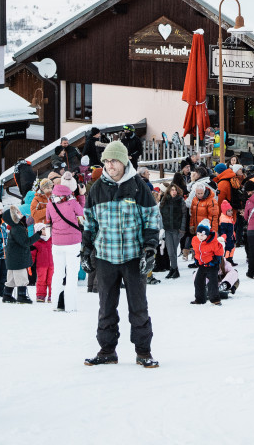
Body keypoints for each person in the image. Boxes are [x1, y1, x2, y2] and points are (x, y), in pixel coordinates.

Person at [80, 139, 162, 368]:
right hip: (106, 257)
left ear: (124, 161)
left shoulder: (138, 186)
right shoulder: (97, 188)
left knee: (138, 307)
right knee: (106, 307)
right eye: (106, 161)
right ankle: (107, 350)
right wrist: (86, 250)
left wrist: (149, 249)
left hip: (133, 257)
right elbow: (89, 223)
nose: (110, 165)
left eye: (114, 160)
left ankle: (143, 352)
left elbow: (151, 220)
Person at [45, 182, 84, 308]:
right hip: (73, 242)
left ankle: (55, 303)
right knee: (72, 274)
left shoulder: (50, 203)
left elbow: (48, 219)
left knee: (58, 273)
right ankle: (70, 305)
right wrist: (81, 196)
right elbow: (81, 213)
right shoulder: (72, 202)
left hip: (57, 243)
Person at [2, 205, 40, 304]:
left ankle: (7, 295)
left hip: (12, 258)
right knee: (22, 277)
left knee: (11, 278)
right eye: (17, 212)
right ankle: (22, 296)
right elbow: (25, 242)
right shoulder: (18, 228)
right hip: (18, 259)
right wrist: (38, 234)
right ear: (14, 217)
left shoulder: (17, 227)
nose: (20, 213)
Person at [190, 219, 225, 304]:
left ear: (207, 234)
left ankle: (215, 300)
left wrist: (215, 261)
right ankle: (200, 299)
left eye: (202, 235)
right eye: (198, 234)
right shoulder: (195, 240)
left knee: (213, 282)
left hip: (212, 265)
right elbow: (196, 251)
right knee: (198, 281)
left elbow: (219, 252)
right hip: (202, 264)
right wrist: (196, 259)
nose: (199, 237)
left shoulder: (213, 242)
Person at [159, 183, 186, 280]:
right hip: (167, 229)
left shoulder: (180, 200)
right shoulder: (164, 200)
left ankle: (174, 269)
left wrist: (182, 229)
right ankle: (174, 269)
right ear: (169, 191)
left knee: (173, 251)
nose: (174, 192)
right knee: (170, 251)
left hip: (176, 229)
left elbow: (184, 215)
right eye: (172, 190)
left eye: (175, 190)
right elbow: (161, 214)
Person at [33, 225, 54, 303]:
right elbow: (32, 254)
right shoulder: (36, 242)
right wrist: (30, 263)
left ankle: (52, 295)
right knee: (41, 280)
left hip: (51, 264)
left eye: (45, 229)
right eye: (42, 229)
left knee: (51, 280)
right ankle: (40, 295)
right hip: (41, 265)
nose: (45, 230)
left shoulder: (51, 240)